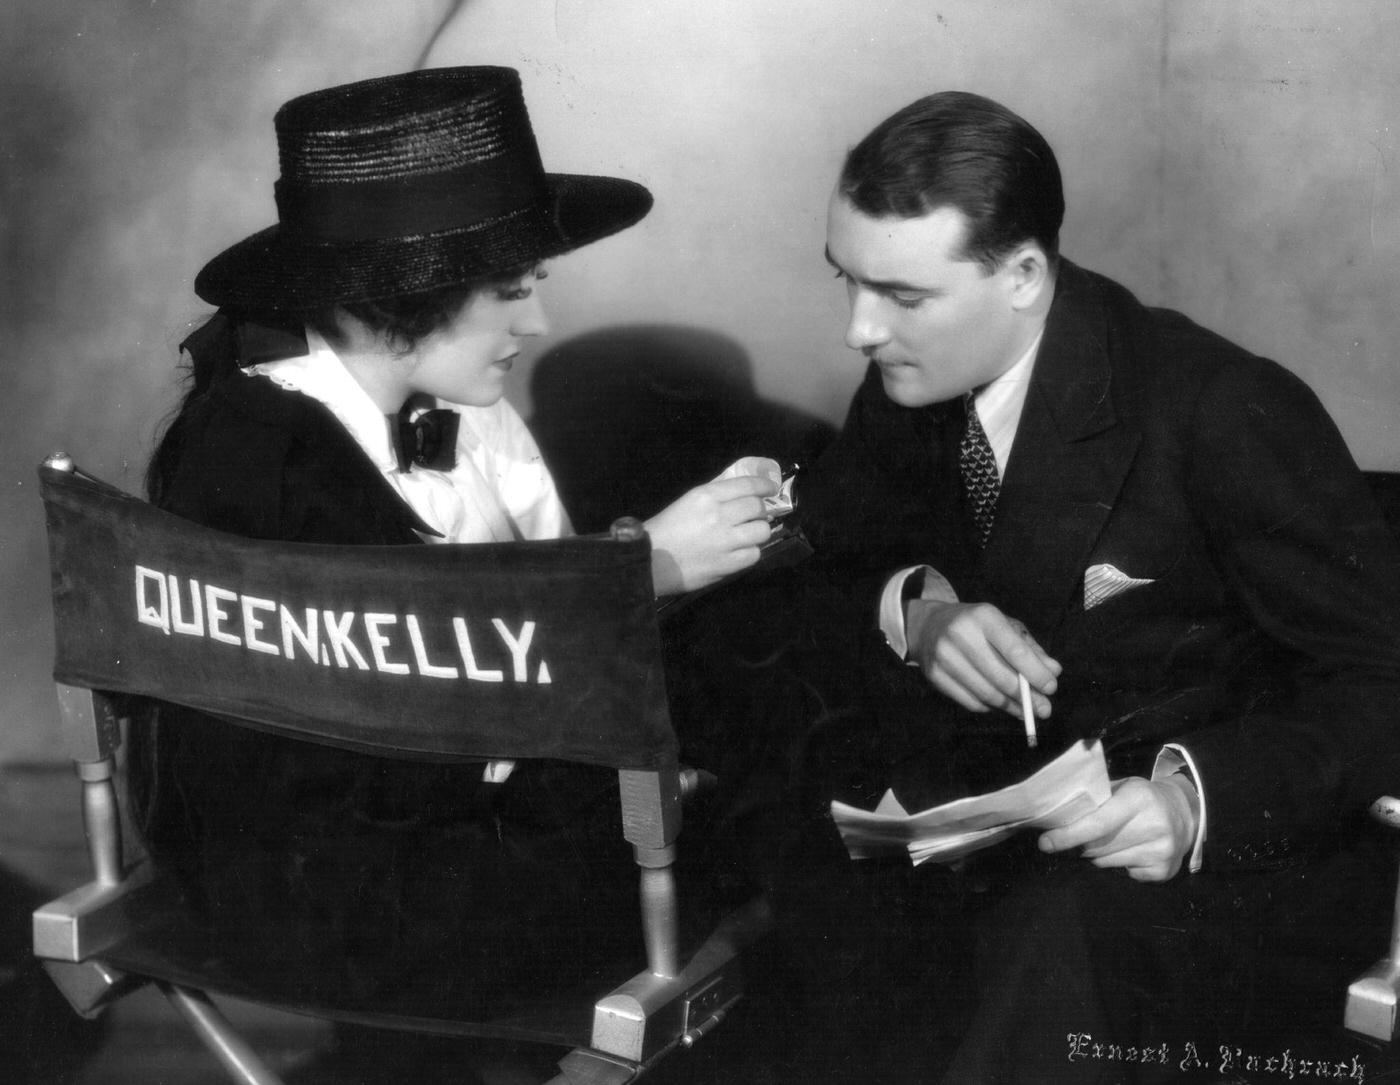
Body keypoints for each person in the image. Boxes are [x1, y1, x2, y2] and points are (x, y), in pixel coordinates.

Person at [128, 65, 778, 1076]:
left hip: (423, 831)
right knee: (767, 845)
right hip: (313, 896)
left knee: (749, 753)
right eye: (509, 290)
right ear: (403, 289)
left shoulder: (465, 409)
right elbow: (417, 690)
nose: (536, 324)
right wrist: (635, 571)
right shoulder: (258, 447)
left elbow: (523, 635)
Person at [782, 90, 1400, 1082]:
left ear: (1023, 274)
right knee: (809, 899)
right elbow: (840, 553)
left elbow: (1381, 677)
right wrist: (920, 607)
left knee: (1048, 953)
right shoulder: (908, 377)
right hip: (993, 823)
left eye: (899, 295)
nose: (858, 328)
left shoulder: (1221, 407)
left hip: (1216, 850)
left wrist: (1195, 800)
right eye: (845, 282)